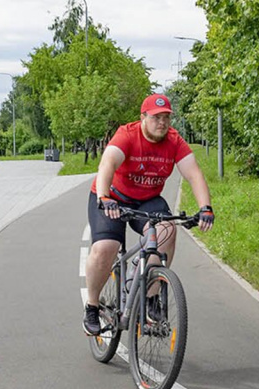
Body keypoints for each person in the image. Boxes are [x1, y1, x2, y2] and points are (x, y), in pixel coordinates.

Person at [84, 93, 214, 335]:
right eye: (156, 117)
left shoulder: (174, 141)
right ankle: (92, 306)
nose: (162, 123)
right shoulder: (128, 134)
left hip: (146, 200)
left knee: (167, 230)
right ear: (143, 117)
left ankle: (150, 298)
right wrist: (104, 197)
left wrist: (205, 207)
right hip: (113, 197)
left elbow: (193, 173)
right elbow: (107, 165)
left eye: (166, 117)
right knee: (105, 248)